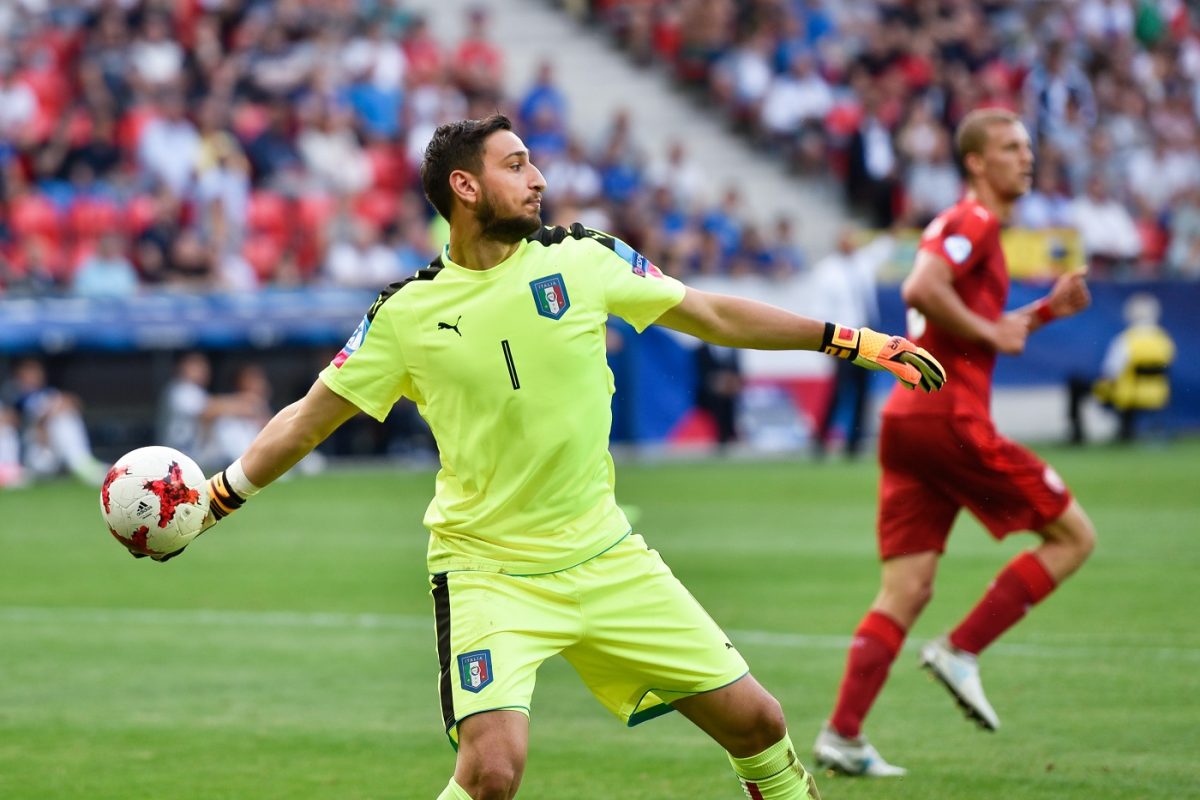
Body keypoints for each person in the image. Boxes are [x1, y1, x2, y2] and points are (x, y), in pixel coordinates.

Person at [127, 114, 946, 800]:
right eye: (516, 164)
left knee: (760, 725)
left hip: (606, 555)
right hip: (487, 571)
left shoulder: (586, 259)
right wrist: (215, 498)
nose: (539, 178)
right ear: (464, 187)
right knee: (491, 773)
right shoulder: (406, 315)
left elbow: (713, 314)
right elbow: (306, 420)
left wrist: (849, 340)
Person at [813, 108, 1095, 777]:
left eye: (1029, 146)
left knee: (905, 590)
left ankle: (842, 735)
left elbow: (967, 326)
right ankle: (961, 650)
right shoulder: (974, 221)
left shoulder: (959, 227)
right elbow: (921, 287)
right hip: (949, 418)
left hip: (907, 420)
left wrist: (1046, 311)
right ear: (976, 161)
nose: (1025, 157)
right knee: (1075, 537)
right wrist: (996, 331)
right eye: (1009, 146)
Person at [809, 225, 894, 458]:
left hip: (867, 335)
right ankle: (821, 438)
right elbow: (821, 309)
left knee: (863, 389)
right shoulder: (827, 271)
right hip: (842, 337)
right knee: (839, 389)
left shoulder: (862, 263)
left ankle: (854, 443)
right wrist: (826, 343)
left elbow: (885, 246)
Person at [1089, 292, 1175, 442]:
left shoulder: (1126, 340)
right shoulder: (1164, 339)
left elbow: (1110, 372)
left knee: (1092, 387)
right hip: (1157, 395)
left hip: (1128, 395)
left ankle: (1079, 434)